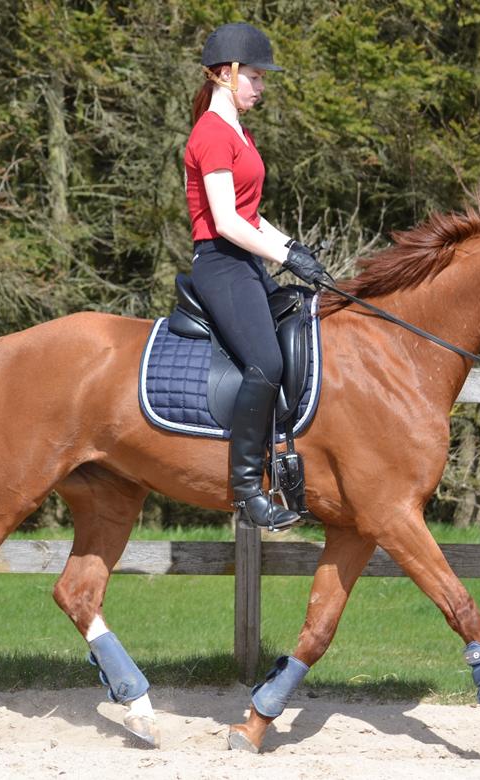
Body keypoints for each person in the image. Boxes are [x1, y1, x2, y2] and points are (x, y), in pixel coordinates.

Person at [184, 22, 327, 531]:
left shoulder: (240, 133)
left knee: (301, 325)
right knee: (265, 360)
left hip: (245, 260)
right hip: (221, 263)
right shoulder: (211, 134)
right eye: (256, 78)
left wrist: (293, 248)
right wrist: (283, 258)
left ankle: (289, 459)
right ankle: (247, 490)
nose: (261, 87)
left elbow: (250, 212)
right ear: (227, 74)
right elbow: (225, 222)